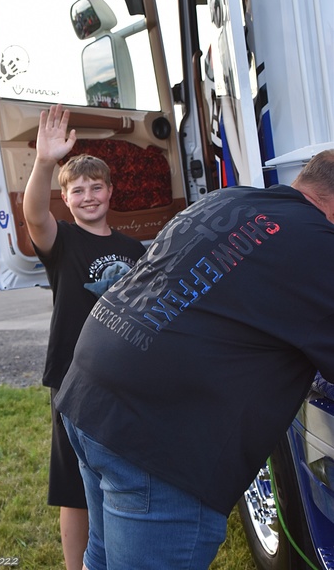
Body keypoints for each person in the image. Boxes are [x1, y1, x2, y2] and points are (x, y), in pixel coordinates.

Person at [56, 149, 334, 570]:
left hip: (87, 395)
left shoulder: (228, 199)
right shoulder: (317, 244)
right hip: (154, 438)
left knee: (103, 553)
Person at [23, 104, 145, 570]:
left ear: (111, 193)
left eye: (97, 187)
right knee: (75, 487)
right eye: (78, 190)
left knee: (121, 476)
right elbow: (34, 214)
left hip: (124, 378)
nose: (89, 196)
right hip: (73, 378)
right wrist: (44, 161)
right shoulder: (63, 242)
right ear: (66, 199)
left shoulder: (134, 250)